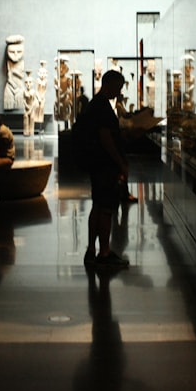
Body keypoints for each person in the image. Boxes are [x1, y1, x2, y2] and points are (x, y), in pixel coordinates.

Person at [81, 70, 130, 269]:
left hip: (97, 165)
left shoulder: (96, 105)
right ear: (109, 85)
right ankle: (104, 252)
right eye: (118, 88)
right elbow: (106, 139)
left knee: (98, 206)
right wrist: (120, 162)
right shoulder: (102, 107)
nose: (119, 93)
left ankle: (92, 249)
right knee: (106, 209)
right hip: (105, 167)